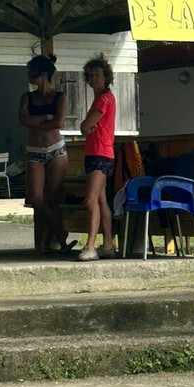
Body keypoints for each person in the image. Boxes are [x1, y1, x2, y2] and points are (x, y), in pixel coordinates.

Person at [18, 54, 74, 253]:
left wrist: (36, 122)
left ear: (43, 74)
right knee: (35, 197)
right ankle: (60, 232)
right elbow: (22, 120)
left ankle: (49, 242)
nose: (29, 76)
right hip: (34, 151)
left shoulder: (60, 96)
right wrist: (44, 117)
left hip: (56, 149)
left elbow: (59, 123)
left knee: (53, 199)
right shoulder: (28, 97)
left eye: (31, 72)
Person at [78, 53, 117, 261]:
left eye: (97, 75)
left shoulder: (104, 98)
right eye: (90, 75)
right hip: (98, 151)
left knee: (90, 200)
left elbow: (85, 126)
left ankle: (90, 246)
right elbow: (86, 127)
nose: (93, 79)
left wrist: (85, 126)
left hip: (100, 152)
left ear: (106, 77)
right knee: (101, 200)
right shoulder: (101, 97)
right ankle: (108, 245)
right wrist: (86, 127)